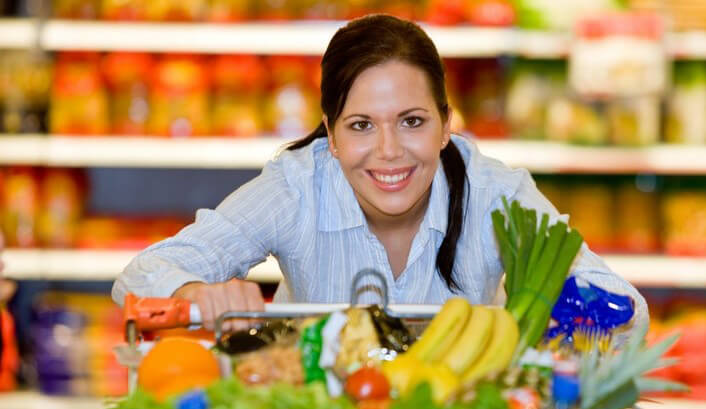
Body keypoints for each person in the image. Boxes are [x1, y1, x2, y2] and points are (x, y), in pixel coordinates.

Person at [112, 14, 648, 335]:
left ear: (445, 125)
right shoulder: (297, 186)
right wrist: (194, 290)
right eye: (361, 125)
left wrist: (560, 312)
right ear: (331, 133)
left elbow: (630, 313)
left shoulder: (496, 194)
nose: (388, 152)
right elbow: (141, 274)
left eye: (412, 121)